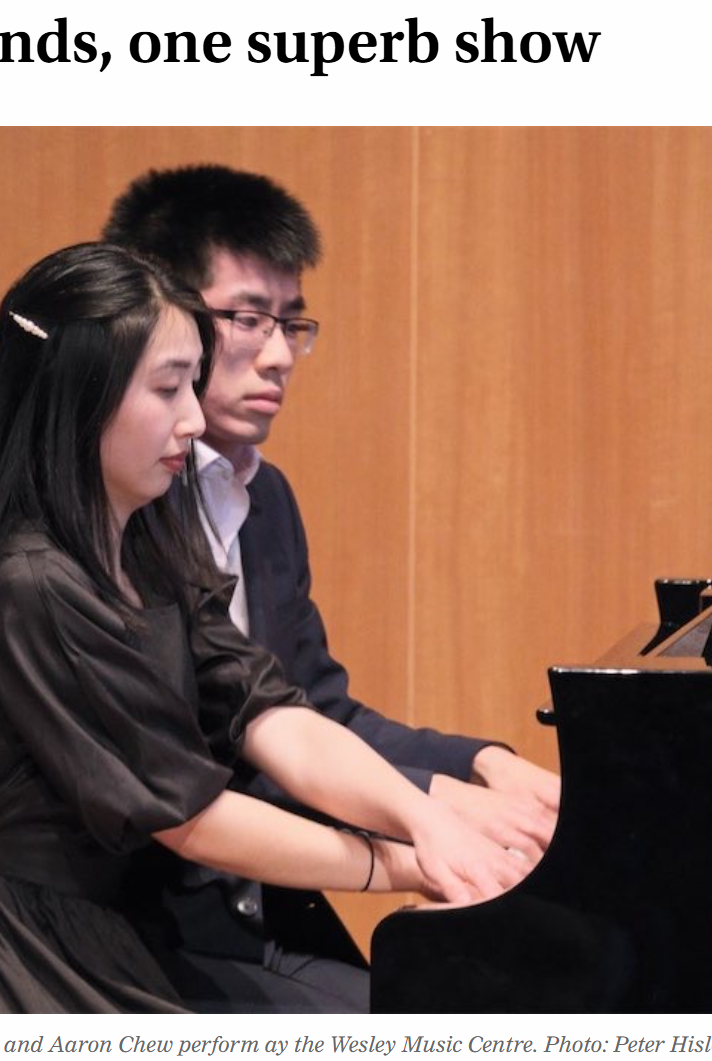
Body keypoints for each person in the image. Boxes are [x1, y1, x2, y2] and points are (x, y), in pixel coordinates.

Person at [0, 243, 527, 1013]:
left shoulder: (148, 537)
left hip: (107, 925)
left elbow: (267, 709)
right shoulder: (33, 581)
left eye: (192, 384)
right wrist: (405, 863)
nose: (192, 418)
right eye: (168, 387)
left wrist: (423, 817)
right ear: (79, 397)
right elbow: (191, 818)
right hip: (4, 944)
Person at [102, 166, 561, 1009]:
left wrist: (483, 764)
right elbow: (201, 761)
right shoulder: (122, 509)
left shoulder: (264, 498)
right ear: (159, 318)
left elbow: (310, 709)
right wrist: (430, 821)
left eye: (291, 323)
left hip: (253, 908)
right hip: (135, 919)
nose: (279, 355)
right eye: (248, 319)